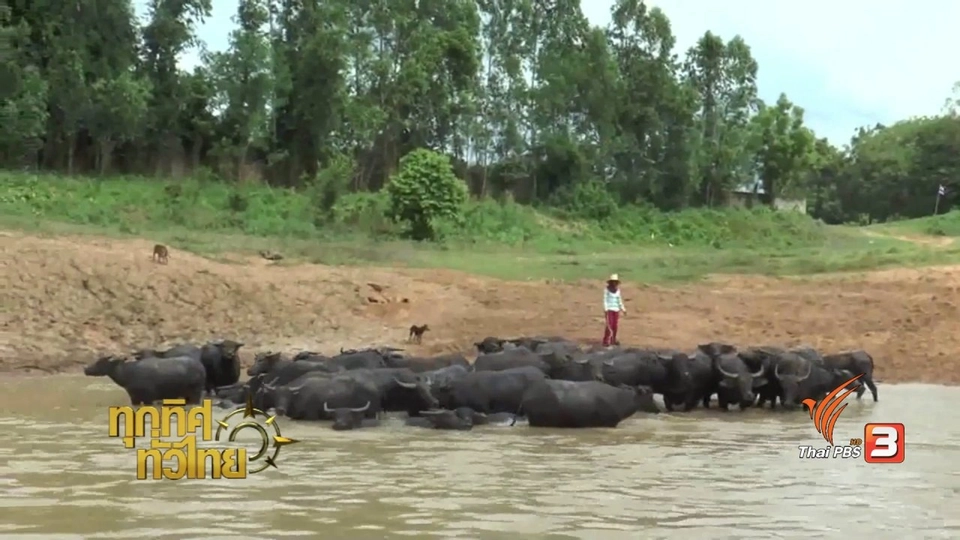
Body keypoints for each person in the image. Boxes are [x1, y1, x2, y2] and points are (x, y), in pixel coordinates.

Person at [602, 274, 626, 347]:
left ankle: (613, 340)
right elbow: (605, 300)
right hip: (609, 309)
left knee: (615, 326)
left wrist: (623, 308)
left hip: (616, 310)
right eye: (613, 282)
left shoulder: (617, 290)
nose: (614, 283)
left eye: (615, 282)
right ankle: (606, 341)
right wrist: (605, 309)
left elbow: (619, 300)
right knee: (609, 325)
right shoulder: (606, 290)